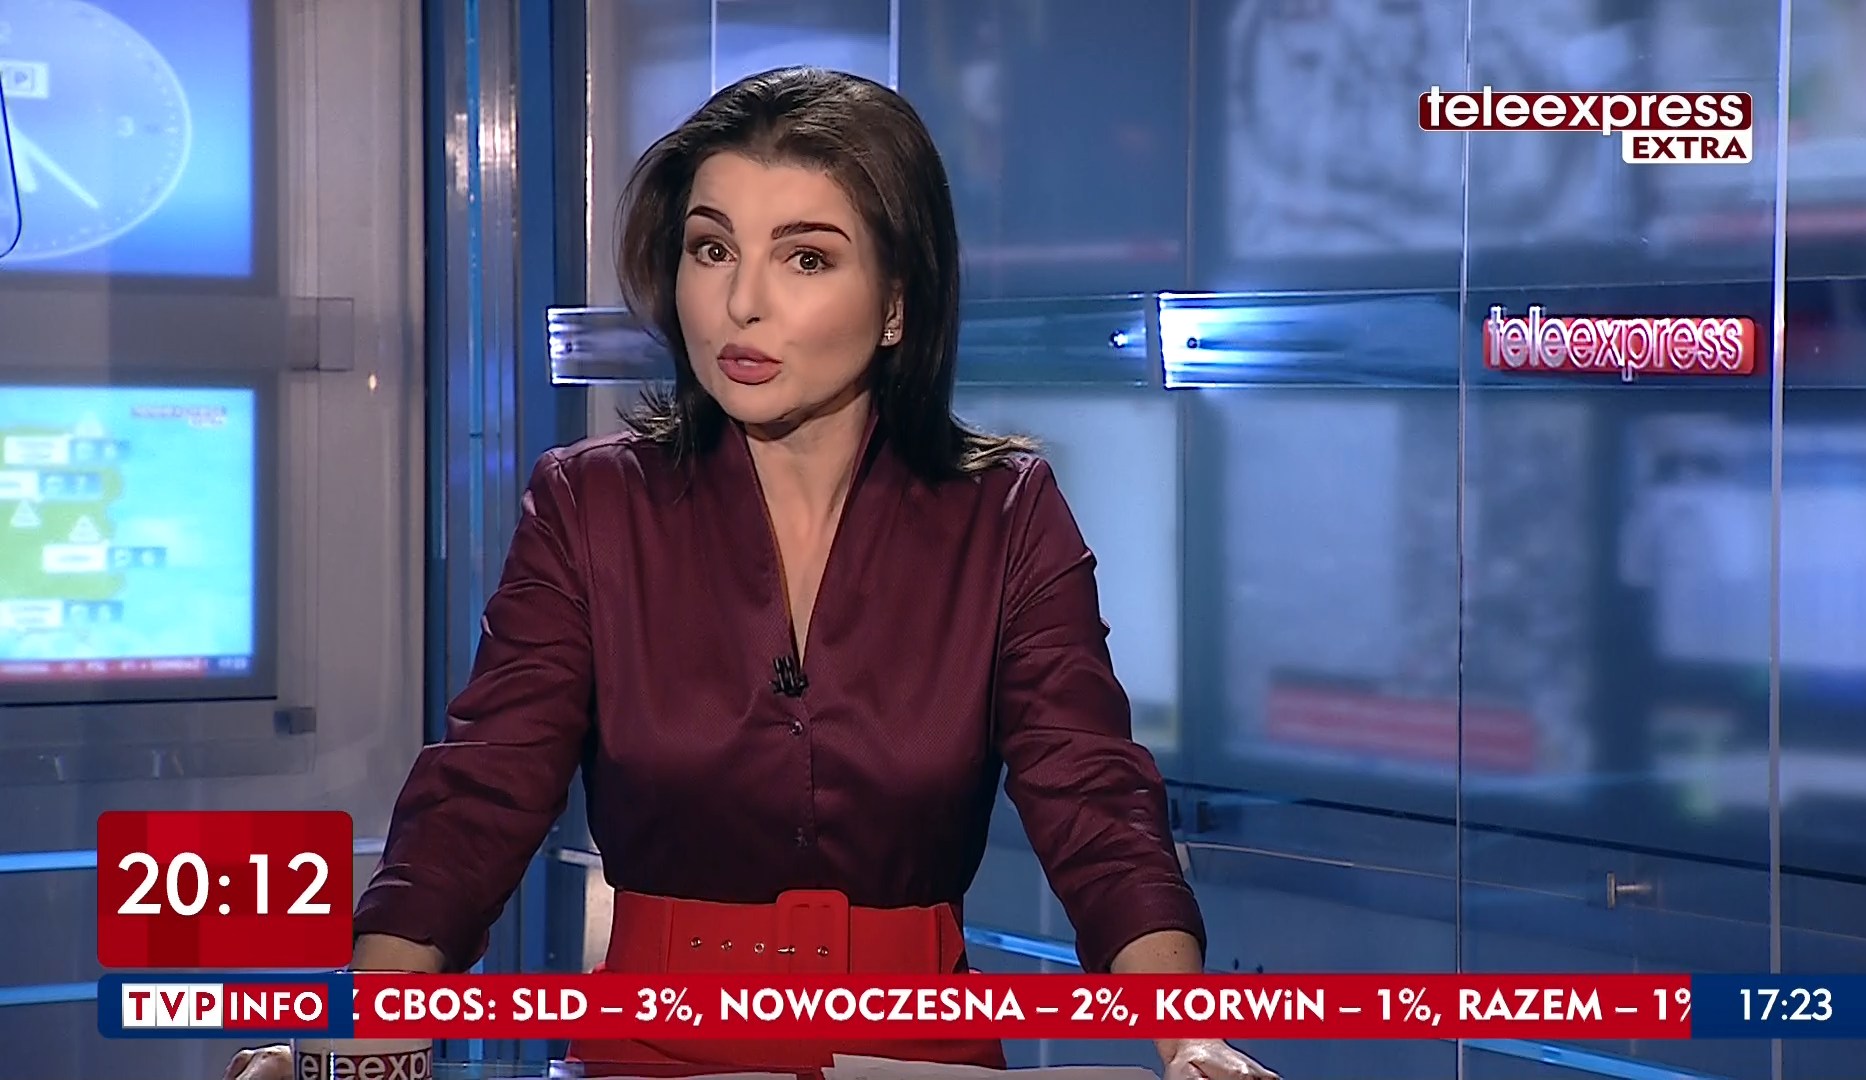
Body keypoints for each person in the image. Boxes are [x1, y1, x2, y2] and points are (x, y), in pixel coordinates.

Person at [228, 67, 1280, 1080]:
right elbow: (480, 797)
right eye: (712, 248)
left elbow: (1092, 801)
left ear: (897, 302)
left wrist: (1188, 1038)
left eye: (806, 258)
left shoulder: (1004, 515)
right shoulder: (590, 506)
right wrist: (351, 1032)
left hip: (917, 1054)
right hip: (650, 1051)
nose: (741, 303)